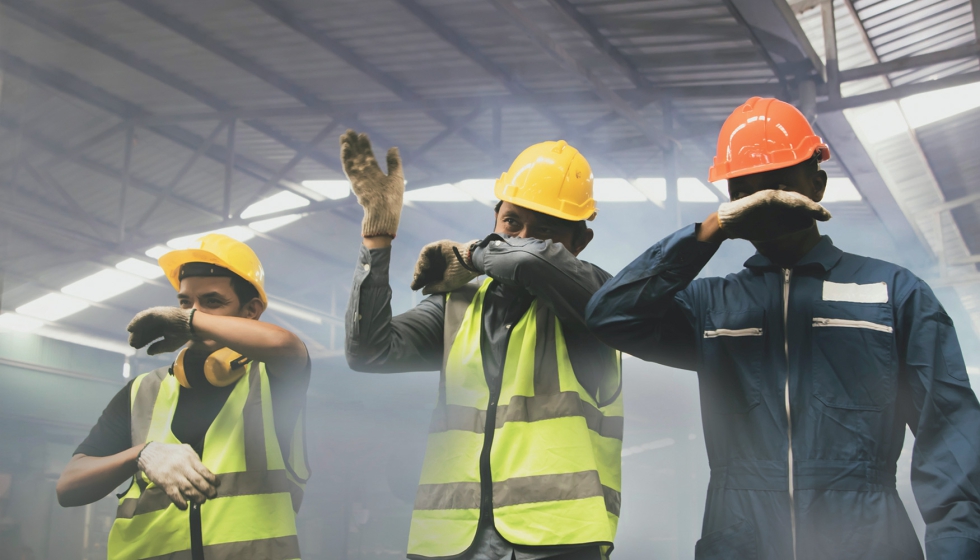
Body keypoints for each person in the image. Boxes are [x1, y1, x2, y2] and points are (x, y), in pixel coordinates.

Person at [585, 96, 980, 559]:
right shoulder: (710, 305)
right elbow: (610, 316)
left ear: (816, 185)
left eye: (777, 185)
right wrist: (711, 230)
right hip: (741, 540)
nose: (763, 204)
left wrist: (957, 549)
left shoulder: (893, 293)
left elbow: (949, 434)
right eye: (746, 194)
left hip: (867, 541)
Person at [341, 130, 623, 560]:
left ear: (579, 244)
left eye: (545, 231)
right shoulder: (458, 305)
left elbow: (528, 261)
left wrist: (472, 254)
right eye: (511, 223)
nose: (520, 238)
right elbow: (369, 351)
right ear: (495, 217)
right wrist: (377, 240)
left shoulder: (596, 298)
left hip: (555, 541)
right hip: (454, 541)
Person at [56, 233, 311, 560]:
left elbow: (285, 346)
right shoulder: (142, 392)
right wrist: (140, 454)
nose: (194, 312)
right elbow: (68, 487)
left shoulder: (273, 383)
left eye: (212, 302)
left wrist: (190, 322)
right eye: (184, 303)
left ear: (251, 311)